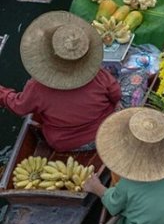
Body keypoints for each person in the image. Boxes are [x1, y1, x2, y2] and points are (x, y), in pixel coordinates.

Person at [0, 11, 120, 152]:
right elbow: (116, 94)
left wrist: (3, 93)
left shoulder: (37, 87)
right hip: (107, 131)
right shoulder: (97, 74)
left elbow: (19, 107)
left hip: (68, 143)